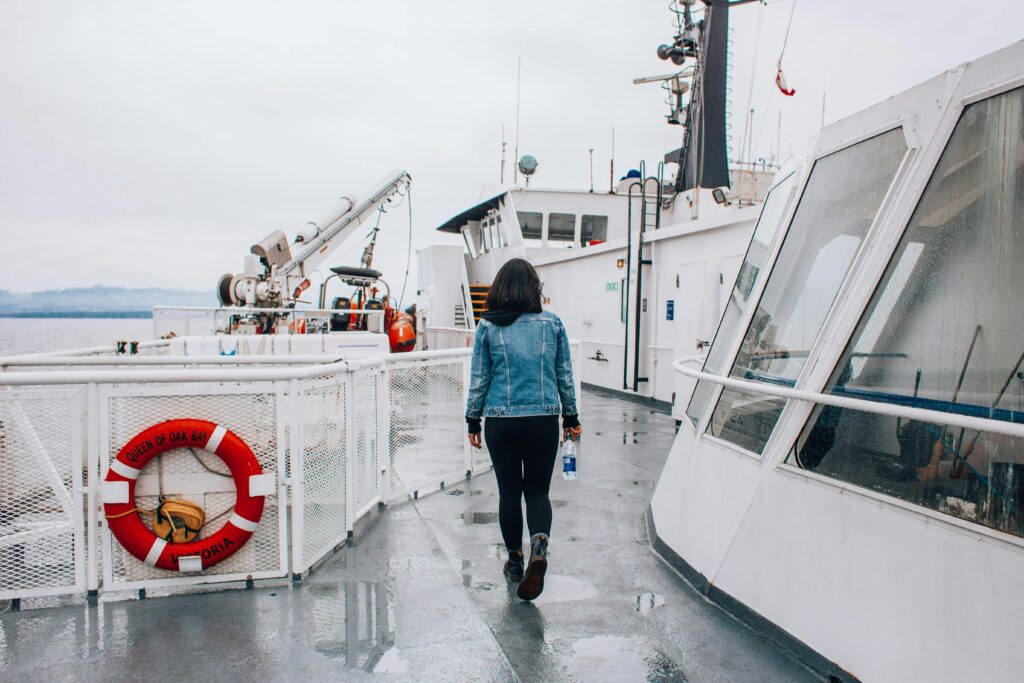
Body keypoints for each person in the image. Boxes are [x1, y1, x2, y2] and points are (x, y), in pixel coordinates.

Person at [465, 258, 582, 601]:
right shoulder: (553, 324)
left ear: (499, 289)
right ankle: (539, 546)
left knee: (508, 493)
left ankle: (515, 562)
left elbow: (480, 379)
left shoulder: (487, 327)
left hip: (501, 422)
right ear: (534, 289)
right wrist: (570, 417)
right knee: (537, 493)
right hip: (543, 421)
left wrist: (473, 419)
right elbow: (564, 375)